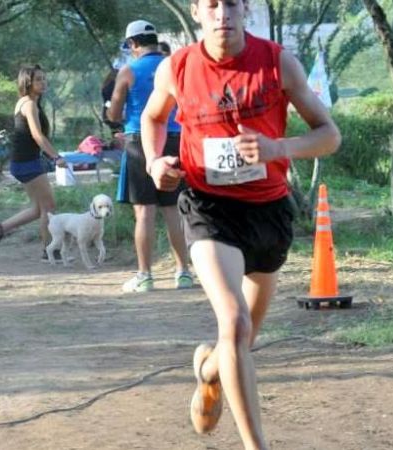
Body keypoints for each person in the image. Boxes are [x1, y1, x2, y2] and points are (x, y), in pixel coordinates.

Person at [140, 1, 341, 448]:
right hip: (208, 206)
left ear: (245, 9)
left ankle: (209, 371)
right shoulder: (177, 68)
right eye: (211, 4)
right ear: (196, 12)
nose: (222, 13)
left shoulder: (277, 62)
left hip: (268, 211)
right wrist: (156, 163)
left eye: (231, 2)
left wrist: (276, 149)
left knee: (242, 337)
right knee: (233, 322)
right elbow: (152, 117)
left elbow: (329, 135)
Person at [109, 20, 192, 293]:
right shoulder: (175, 66)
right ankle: (183, 273)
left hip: (139, 142)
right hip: (176, 140)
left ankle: (145, 276)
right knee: (173, 209)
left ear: (133, 44)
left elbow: (114, 113)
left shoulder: (128, 71)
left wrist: (114, 117)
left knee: (144, 211)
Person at [0, 64, 68, 260]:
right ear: (28, 82)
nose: (43, 82)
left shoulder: (28, 102)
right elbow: (37, 136)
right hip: (27, 163)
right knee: (49, 207)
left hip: (24, 161)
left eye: (44, 78)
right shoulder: (29, 104)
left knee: (39, 209)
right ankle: (50, 251)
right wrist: (56, 157)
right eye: (38, 79)